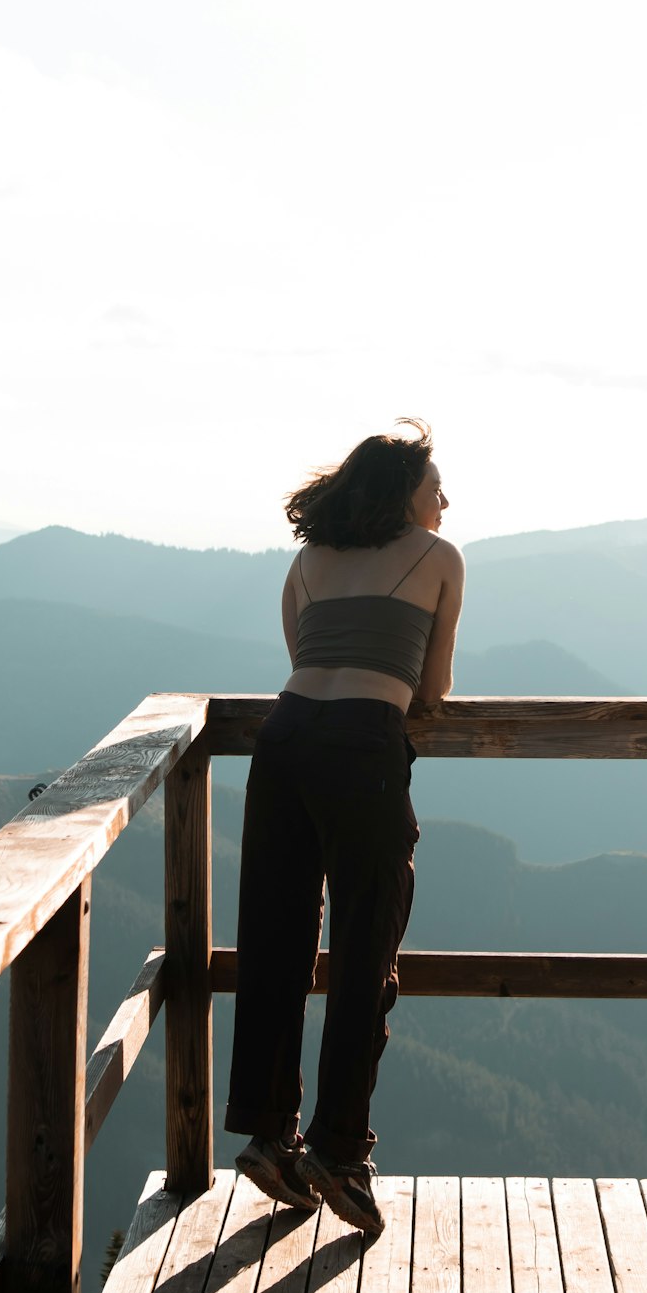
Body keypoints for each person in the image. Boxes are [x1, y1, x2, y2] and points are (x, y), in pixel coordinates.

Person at [226, 418, 464, 1235]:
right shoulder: (440, 560)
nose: (447, 501)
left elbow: (303, 656)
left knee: (276, 940)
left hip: (284, 740)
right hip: (364, 747)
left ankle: (268, 1134)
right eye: (437, 487)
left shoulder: (307, 560)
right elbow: (431, 690)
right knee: (366, 946)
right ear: (407, 494)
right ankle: (339, 1149)